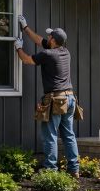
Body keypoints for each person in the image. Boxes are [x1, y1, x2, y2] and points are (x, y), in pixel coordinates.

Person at [14, 15, 80, 177]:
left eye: (49, 36)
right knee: (68, 135)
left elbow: (28, 60)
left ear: (53, 40)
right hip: (70, 99)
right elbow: (39, 40)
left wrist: (18, 48)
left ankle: (50, 170)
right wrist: (25, 27)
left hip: (56, 99)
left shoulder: (48, 55)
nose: (47, 37)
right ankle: (74, 169)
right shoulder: (65, 52)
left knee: (50, 134)